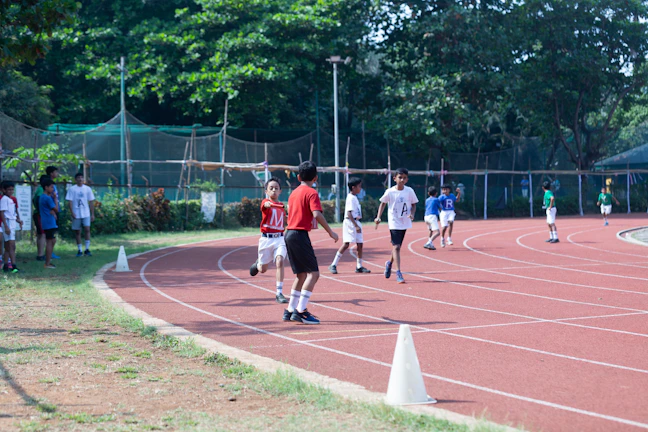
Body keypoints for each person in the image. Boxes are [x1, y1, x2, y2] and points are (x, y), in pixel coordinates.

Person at [283, 161, 338, 324]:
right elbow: (316, 214)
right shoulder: (312, 193)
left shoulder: (293, 193)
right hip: (299, 234)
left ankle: (290, 310)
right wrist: (330, 231)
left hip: (289, 234)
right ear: (315, 178)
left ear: (299, 177)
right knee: (314, 273)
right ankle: (301, 311)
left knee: (301, 274)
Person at [374, 167, 418, 284]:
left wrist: (412, 214)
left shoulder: (409, 191)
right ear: (394, 178)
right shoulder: (390, 192)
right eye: (400, 177)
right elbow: (382, 204)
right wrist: (378, 216)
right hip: (393, 221)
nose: (402, 180)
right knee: (397, 247)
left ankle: (389, 263)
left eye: (404, 178)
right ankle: (398, 272)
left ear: (407, 179)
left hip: (404, 221)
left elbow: (414, 205)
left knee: (396, 247)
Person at [249, 177, 288, 304]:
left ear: (280, 191)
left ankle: (279, 292)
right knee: (263, 269)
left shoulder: (282, 207)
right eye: (271, 188)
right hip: (266, 240)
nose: (274, 190)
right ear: (266, 191)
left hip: (279, 239)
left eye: (276, 188)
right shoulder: (266, 203)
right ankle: (258, 264)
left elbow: (285, 221)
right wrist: (266, 204)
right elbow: (264, 206)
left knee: (280, 261)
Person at [329, 177, 371, 274]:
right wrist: (355, 225)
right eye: (359, 186)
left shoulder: (355, 197)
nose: (360, 188)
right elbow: (349, 213)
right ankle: (333, 264)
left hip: (356, 222)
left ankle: (359, 266)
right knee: (346, 244)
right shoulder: (350, 198)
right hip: (350, 223)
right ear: (353, 187)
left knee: (360, 244)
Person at [66, 173, 96, 257]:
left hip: (86, 212)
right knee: (77, 231)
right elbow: (70, 202)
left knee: (87, 229)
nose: (80, 179)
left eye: (81, 177)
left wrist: (92, 214)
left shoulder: (87, 189)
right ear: (75, 179)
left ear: (83, 179)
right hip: (76, 212)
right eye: (78, 178)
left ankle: (87, 249)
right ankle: (79, 249)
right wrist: (72, 212)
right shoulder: (72, 189)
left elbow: (91, 202)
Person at [0, 181, 23, 273]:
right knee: (12, 246)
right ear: (3, 190)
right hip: (8, 223)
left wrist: (18, 220)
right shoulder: (4, 199)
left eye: (12, 189)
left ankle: (6, 265)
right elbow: (2, 213)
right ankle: (14, 266)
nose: (11, 191)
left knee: (8, 247)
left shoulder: (11, 200)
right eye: (9, 189)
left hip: (12, 222)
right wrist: (6, 226)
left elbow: (11, 214)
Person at [39, 178, 58, 269]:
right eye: (51, 187)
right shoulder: (47, 198)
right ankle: (47, 262)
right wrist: (55, 198)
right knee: (50, 242)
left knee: (52, 240)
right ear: (46, 187)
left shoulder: (43, 197)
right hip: (49, 222)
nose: (53, 189)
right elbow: (56, 209)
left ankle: (48, 260)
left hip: (47, 222)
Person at [33, 175, 50, 261]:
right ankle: (40, 255)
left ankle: (40, 254)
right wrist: (41, 210)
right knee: (42, 234)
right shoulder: (41, 190)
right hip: (39, 215)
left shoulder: (39, 189)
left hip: (39, 214)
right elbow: (36, 200)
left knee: (40, 234)